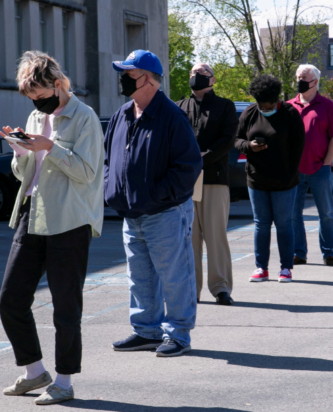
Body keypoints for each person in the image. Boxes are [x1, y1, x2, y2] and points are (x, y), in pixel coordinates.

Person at [0, 51, 105, 405]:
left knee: (65, 306)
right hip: (33, 212)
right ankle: (34, 372)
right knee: (11, 299)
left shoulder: (84, 117)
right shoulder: (33, 115)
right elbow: (24, 173)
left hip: (69, 220)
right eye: (32, 99)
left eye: (41, 97)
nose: (37, 105)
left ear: (58, 84)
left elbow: (88, 173)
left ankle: (63, 381)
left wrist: (50, 147)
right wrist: (20, 151)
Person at [104, 50, 202, 357]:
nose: (122, 79)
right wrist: (113, 191)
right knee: (140, 277)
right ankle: (146, 331)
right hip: (132, 214)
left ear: (147, 79)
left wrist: (156, 195)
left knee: (175, 277)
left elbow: (188, 167)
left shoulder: (172, 116)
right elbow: (109, 159)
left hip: (165, 213)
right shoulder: (122, 115)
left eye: (128, 74)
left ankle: (179, 335)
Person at [176, 63, 238, 306]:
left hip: (214, 178)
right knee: (189, 239)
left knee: (216, 236)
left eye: (201, 73)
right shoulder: (179, 107)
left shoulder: (225, 106)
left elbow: (227, 139)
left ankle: (221, 288)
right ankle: (192, 289)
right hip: (186, 182)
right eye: (192, 72)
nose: (195, 75)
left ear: (212, 80)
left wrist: (202, 157)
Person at [235, 75, 305, 283]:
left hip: (284, 181)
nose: (265, 108)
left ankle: (286, 268)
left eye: (269, 105)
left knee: (284, 224)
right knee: (261, 224)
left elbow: (298, 148)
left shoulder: (291, 114)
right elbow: (236, 139)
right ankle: (261, 268)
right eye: (261, 105)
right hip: (257, 180)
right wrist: (249, 147)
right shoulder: (249, 113)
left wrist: (290, 175)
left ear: (276, 100)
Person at [288, 64, 333, 266]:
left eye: (304, 77)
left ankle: (328, 252)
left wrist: (327, 162)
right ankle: (298, 253)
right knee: (294, 214)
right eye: (298, 77)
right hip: (294, 171)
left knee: (326, 213)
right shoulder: (288, 106)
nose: (299, 81)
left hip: (319, 169)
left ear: (315, 82)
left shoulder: (327, 106)